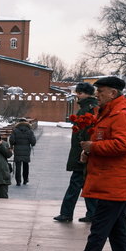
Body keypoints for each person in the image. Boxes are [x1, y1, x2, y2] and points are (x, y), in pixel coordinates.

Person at [56, 75, 126, 251]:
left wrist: (93, 147)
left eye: (100, 92)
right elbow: (106, 139)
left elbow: (122, 145)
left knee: (100, 228)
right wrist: (90, 152)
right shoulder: (110, 112)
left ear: (113, 93)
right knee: (118, 229)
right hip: (112, 179)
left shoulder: (122, 114)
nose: (97, 96)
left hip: (115, 182)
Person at [54, 82, 98, 222]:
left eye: (80, 93)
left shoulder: (87, 109)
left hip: (83, 153)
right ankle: (92, 213)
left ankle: (67, 213)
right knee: (86, 183)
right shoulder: (91, 107)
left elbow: (85, 133)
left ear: (87, 94)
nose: (77, 96)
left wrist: (84, 152)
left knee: (75, 184)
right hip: (84, 152)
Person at [9, 118, 37, 185]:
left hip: (17, 150)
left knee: (18, 165)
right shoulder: (30, 131)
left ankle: (18, 181)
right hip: (26, 151)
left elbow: (12, 140)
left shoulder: (15, 130)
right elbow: (33, 142)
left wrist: (13, 145)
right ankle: (25, 179)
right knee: (26, 165)